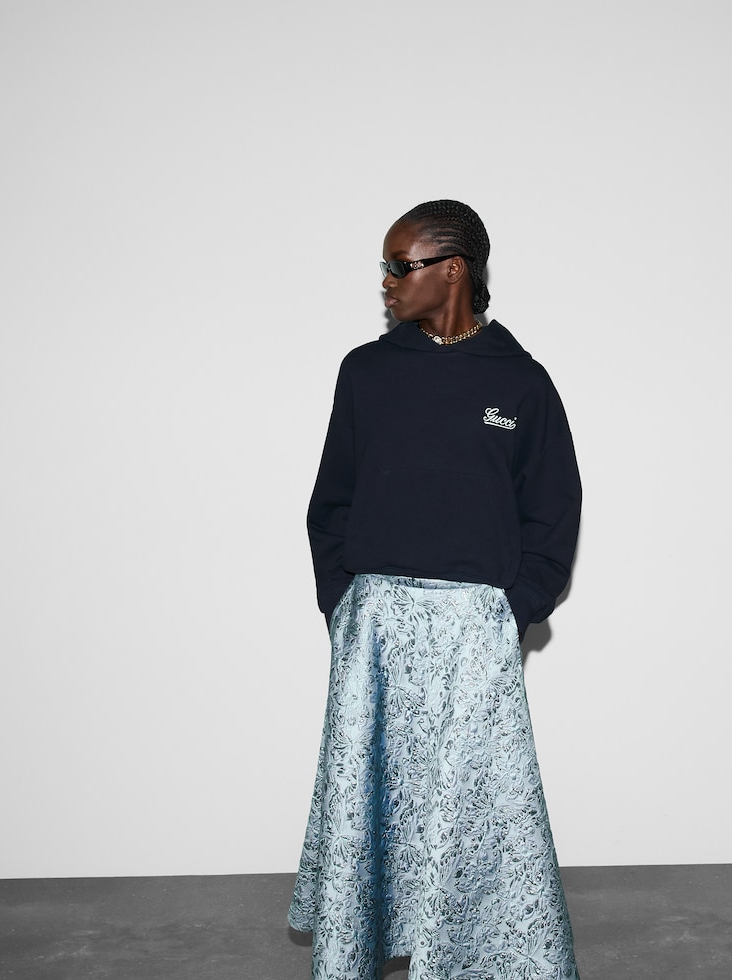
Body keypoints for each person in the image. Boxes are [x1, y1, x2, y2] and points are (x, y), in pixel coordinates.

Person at [288, 200, 582, 979]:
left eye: (400, 265)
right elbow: (331, 502)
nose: (386, 282)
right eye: (385, 267)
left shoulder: (521, 383)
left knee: (478, 808)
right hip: (376, 628)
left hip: (475, 630)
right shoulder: (366, 372)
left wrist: (509, 612)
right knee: (372, 802)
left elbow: (554, 513)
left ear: (452, 270)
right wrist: (346, 604)